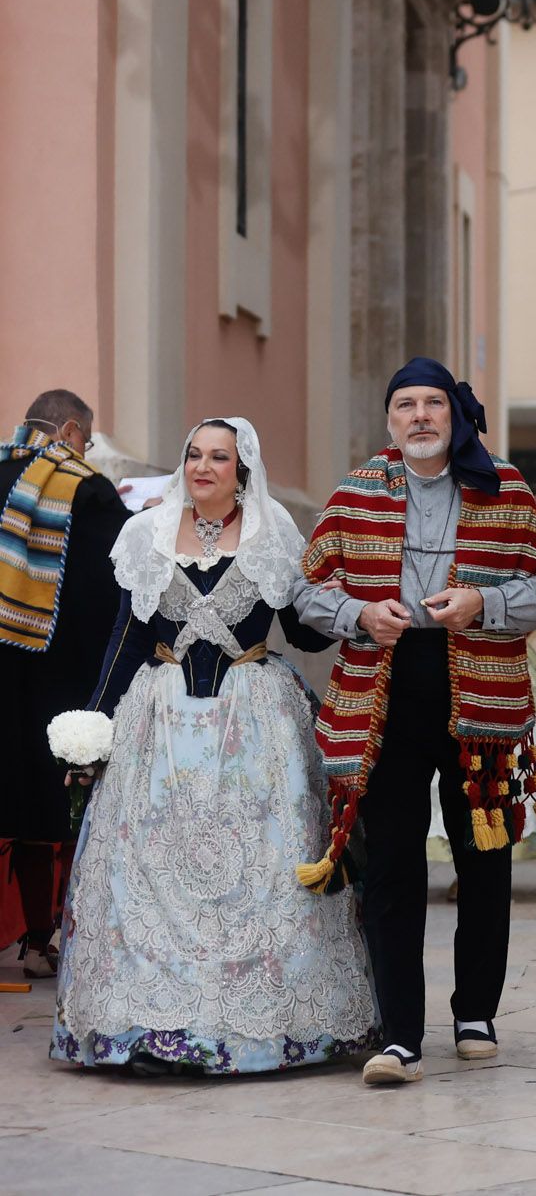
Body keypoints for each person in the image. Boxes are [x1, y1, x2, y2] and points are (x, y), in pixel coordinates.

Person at [50, 418, 376, 1073]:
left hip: (254, 725)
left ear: (241, 470)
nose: (203, 466)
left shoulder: (274, 532)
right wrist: (94, 724)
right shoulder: (143, 534)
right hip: (161, 725)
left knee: (260, 872)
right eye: (194, 454)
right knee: (149, 870)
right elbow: (126, 640)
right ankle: (146, 1029)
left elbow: (303, 633)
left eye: (218, 457)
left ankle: (263, 1028)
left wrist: (354, 607)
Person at [294, 358, 536, 1086]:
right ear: (389, 420)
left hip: (484, 695)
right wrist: (357, 613)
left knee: (485, 859)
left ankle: (476, 1011)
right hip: (386, 692)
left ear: (456, 414)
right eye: (406, 404)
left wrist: (487, 606)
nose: (420, 416)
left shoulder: (503, 488)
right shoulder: (355, 492)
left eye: (433, 404)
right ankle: (401, 1034)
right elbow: (306, 587)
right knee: (390, 863)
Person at [0, 391, 127, 977]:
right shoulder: (85, 489)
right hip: (54, 676)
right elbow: (115, 585)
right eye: (89, 442)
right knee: (58, 805)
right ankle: (44, 938)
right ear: (73, 430)